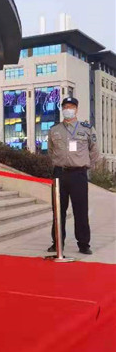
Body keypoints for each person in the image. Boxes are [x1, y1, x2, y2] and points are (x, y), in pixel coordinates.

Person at [47, 96, 100, 255]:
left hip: (78, 174)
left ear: (76, 109)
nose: (67, 109)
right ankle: (57, 242)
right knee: (58, 210)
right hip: (59, 174)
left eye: (71, 106)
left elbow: (95, 151)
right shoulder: (54, 129)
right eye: (65, 107)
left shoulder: (87, 129)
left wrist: (86, 165)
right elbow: (51, 151)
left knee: (80, 210)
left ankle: (83, 244)